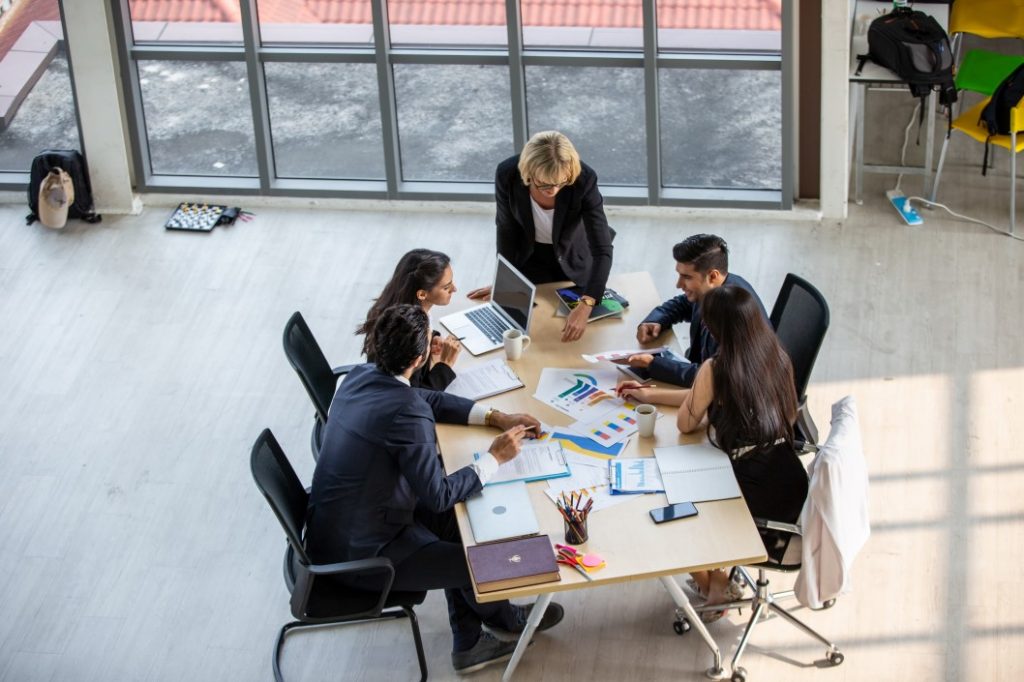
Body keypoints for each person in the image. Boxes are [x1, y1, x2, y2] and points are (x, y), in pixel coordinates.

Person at [308, 304, 566, 673]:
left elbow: (427, 398)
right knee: (478, 562)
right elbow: (439, 494)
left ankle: (480, 632)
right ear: (420, 358)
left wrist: (496, 417)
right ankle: (485, 630)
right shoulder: (405, 414)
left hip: (341, 526)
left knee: (461, 525)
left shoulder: (360, 376)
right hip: (365, 557)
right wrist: (494, 457)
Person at [618, 286, 808, 621]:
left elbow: (687, 423)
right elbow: (709, 398)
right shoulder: (778, 356)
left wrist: (662, 398)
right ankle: (717, 581)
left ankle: (713, 583)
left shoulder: (717, 367)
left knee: (667, 502)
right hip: (788, 478)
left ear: (717, 328)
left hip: (752, 494)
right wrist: (652, 396)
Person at [466, 131, 615, 343]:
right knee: (528, 328)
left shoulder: (584, 180)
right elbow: (506, 230)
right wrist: (506, 282)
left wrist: (587, 304)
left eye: (561, 183)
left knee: (578, 335)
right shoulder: (507, 174)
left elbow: (602, 248)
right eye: (544, 184)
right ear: (528, 172)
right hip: (530, 257)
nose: (553, 190)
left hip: (574, 257)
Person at [625, 234, 766, 387]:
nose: (678, 284)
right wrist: (656, 320)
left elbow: (715, 379)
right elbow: (683, 304)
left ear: (712, 276)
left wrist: (654, 364)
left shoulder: (733, 315)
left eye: (686, 277)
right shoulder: (712, 290)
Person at [356, 248, 462, 390]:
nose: (454, 289)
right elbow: (416, 396)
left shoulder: (396, 314)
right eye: (446, 287)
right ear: (422, 294)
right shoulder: (406, 338)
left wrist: (432, 338)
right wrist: (445, 365)